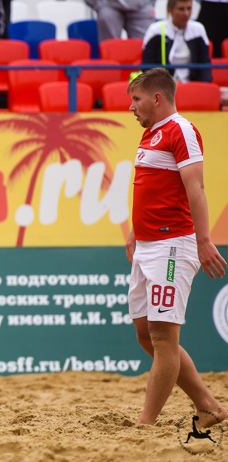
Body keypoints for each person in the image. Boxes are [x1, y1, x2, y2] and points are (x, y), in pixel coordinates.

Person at [126, 67, 227, 427]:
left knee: (162, 337)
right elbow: (154, 189)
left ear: (157, 98)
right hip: (148, 244)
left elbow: (195, 188)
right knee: (145, 333)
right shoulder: (151, 133)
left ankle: (145, 424)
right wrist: (136, 231)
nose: (131, 107)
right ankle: (208, 406)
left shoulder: (181, 129)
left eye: (136, 99)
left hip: (172, 245)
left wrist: (203, 239)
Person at [142, 0, 212, 82]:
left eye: (189, 8)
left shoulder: (199, 30)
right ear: (169, 9)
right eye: (181, 9)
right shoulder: (155, 31)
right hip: (163, 87)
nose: (186, 13)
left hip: (192, 86)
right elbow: (147, 69)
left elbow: (205, 67)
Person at [84, 0, 155, 42]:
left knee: (146, 48)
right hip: (109, 7)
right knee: (109, 50)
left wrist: (148, 4)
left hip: (142, 7)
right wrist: (99, 5)